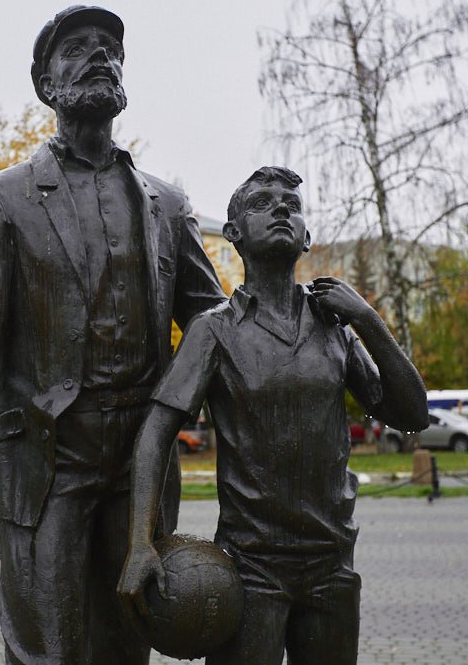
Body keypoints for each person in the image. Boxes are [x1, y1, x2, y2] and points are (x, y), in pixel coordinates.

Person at [0, 5, 226, 665]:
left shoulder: (165, 202)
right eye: (78, 48)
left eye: (110, 46)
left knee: (124, 641)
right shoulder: (6, 197)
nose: (100, 55)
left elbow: (210, 322)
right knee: (45, 646)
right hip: (49, 455)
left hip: (141, 459)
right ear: (47, 85)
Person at [117, 166, 428, 665]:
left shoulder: (336, 328)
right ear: (234, 234)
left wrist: (367, 318)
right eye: (262, 202)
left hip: (332, 564)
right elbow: (156, 433)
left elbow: (412, 413)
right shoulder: (214, 331)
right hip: (250, 569)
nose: (282, 208)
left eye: (292, 204)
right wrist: (140, 543)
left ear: (307, 238)